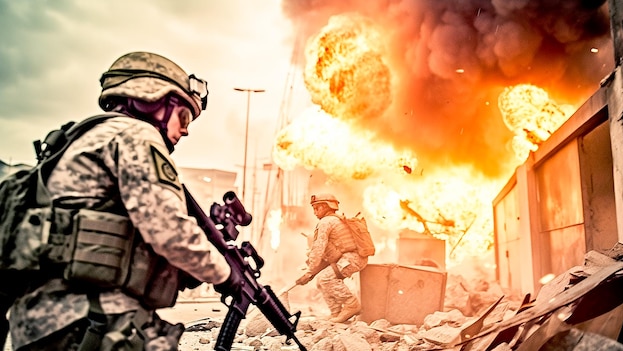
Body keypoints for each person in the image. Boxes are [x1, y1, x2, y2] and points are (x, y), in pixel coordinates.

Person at [6, 51, 239, 350]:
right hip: (86, 320)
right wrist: (224, 272)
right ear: (151, 100)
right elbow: (168, 229)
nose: (185, 129)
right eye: (183, 115)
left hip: (43, 323)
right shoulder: (137, 135)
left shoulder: (85, 137)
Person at [295, 193, 368, 323]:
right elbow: (326, 255)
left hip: (351, 258)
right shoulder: (336, 220)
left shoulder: (326, 222)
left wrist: (309, 271)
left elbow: (318, 248)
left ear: (326, 207)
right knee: (321, 281)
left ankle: (351, 304)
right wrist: (311, 273)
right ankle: (336, 312)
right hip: (349, 258)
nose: (314, 212)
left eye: (317, 208)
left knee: (326, 278)